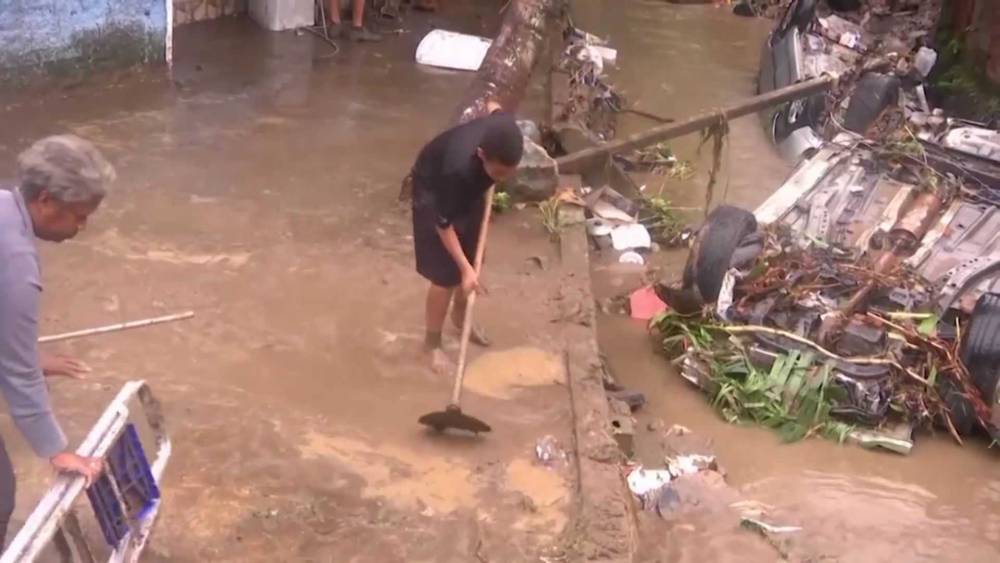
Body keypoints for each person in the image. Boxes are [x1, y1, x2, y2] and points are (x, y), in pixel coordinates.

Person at [0, 135, 113, 548]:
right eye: (79, 216)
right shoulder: (15, 261)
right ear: (46, 200)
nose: (82, 228)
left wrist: (24, 353)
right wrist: (57, 450)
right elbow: (17, 374)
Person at [410, 103, 524, 372]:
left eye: (510, 172)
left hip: (472, 183)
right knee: (445, 273)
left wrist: (469, 267)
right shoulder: (456, 171)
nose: (505, 178)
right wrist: (463, 268)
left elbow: (493, 105)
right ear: (482, 154)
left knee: (475, 256)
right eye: (499, 174)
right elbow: (443, 224)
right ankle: (431, 345)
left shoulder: (504, 128)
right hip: (434, 188)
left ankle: (461, 318)